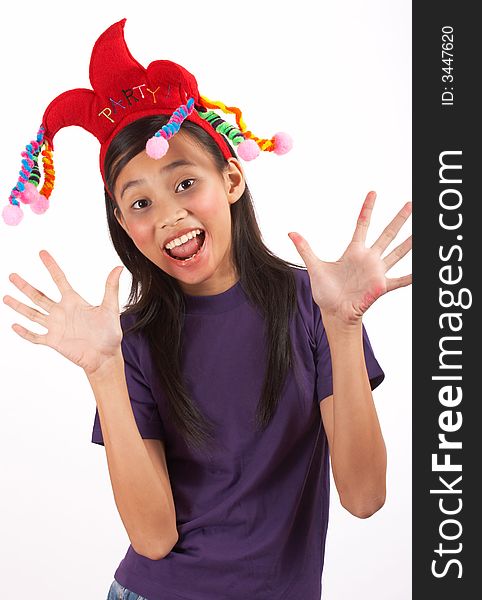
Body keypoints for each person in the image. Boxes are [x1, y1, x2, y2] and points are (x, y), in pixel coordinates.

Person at [2, 18, 412, 600]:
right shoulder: (129, 343)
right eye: (139, 201)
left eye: (185, 183)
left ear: (232, 178)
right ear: (124, 225)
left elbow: (365, 497)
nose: (167, 213)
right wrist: (103, 374)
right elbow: (152, 538)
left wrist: (345, 329)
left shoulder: (315, 306)